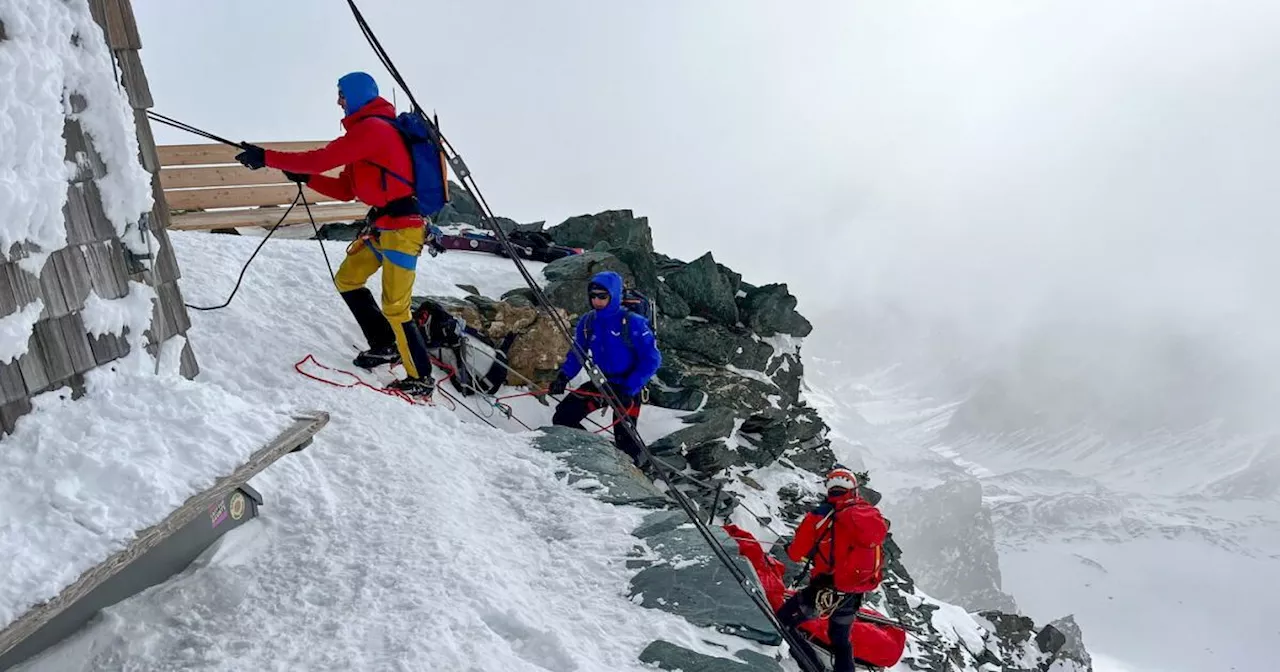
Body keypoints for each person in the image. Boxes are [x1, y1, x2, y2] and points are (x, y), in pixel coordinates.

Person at [233, 72, 434, 399]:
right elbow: (344, 189)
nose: (338, 100)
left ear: (357, 95)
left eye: (342, 93)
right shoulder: (365, 133)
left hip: (403, 230)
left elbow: (323, 158)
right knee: (348, 278)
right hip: (383, 227)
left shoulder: (374, 129)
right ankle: (385, 344)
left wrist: (267, 157)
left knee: (397, 306)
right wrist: (304, 176)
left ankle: (421, 378)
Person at [780, 466, 889, 672]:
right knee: (841, 640)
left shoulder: (820, 515)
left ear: (829, 489)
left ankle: (812, 665)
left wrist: (793, 549)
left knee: (784, 620)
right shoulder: (870, 515)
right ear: (854, 490)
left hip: (823, 588)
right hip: (854, 590)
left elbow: (795, 554)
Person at [548, 271, 661, 468]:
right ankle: (594, 453)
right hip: (602, 382)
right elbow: (578, 352)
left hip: (627, 387)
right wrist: (564, 376)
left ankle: (640, 472)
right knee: (563, 417)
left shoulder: (633, 322)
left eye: (603, 296)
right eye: (593, 296)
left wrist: (630, 388)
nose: (597, 301)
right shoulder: (588, 322)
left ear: (614, 296)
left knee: (626, 440)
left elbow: (652, 359)